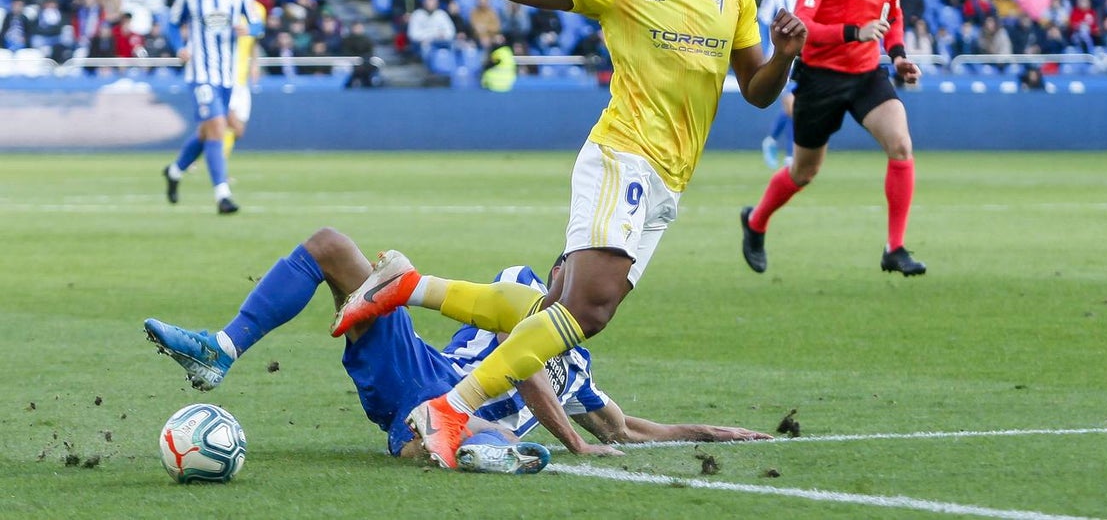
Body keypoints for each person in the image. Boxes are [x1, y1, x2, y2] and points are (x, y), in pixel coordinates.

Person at [328, 0, 806, 469]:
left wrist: (785, 55)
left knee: (558, 313)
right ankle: (450, 409)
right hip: (622, 156)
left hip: (668, 182)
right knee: (588, 308)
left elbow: (757, 87)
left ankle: (411, 286)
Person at [143, 230, 772, 473]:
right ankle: (220, 348)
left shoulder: (579, 367)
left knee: (452, 432)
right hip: (427, 369)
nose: (569, 287)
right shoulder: (523, 290)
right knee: (332, 247)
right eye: (567, 274)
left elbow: (630, 429)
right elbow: (525, 371)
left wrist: (710, 431)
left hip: (447, 410)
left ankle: (464, 447)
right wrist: (575, 443)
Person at [740, 0, 926, 277]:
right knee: (804, 172)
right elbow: (802, 27)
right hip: (820, 80)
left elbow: (895, 17)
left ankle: (895, 247)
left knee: (901, 145)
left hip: (866, 76)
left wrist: (899, 54)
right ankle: (756, 221)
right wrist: (854, 32)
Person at [162, 0, 263, 214]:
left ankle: (174, 171)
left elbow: (257, 22)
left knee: (208, 132)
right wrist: (179, 47)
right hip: (200, 74)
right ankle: (223, 195)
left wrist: (249, 29)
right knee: (218, 127)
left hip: (228, 76)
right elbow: (171, 23)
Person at [757, 0, 805, 175]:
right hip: (780, 60)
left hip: (803, 62)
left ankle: (771, 139)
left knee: (797, 108)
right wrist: (767, 56)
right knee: (791, 107)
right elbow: (762, 25)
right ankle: (790, 158)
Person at [224, 0, 268, 159]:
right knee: (229, 123)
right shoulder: (225, 6)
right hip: (225, 73)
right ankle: (214, 164)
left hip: (243, 76)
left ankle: (207, 159)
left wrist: (255, 64)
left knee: (238, 126)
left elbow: (254, 41)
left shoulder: (259, 10)